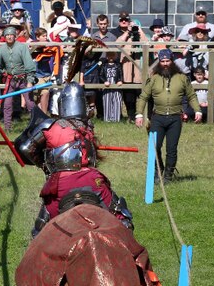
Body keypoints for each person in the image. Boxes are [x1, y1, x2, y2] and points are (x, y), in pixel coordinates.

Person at [15, 83, 135, 238]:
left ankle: (38, 247)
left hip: (61, 183)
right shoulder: (88, 127)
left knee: (40, 230)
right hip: (92, 180)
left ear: (62, 104)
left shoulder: (49, 125)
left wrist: (43, 165)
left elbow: (25, 148)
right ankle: (129, 249)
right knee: (122, 215)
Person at [136, 49, 202, 182]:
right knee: (155, 147)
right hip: (158, 118)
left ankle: (168, 175)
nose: (165, 63)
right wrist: (139, 114)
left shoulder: (182, 78)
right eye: (162, 61)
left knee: (171, 149)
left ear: (172, 61)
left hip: (175, 118)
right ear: (159, 62)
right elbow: (143, 97)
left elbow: (191, 96)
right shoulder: (154, 79)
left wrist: (198, 110)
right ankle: (157, 171)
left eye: (167, 61)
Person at [0, 25, 37, 131]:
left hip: (24, 78)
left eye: (11, 35)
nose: (9, 37)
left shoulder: (22, 47)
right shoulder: (2, 49)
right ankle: (8, 128)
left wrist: (30, 81)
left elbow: (29, 65)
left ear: (15, 36)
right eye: (7, 35)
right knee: (7, 104)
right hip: (11, 79)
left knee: (29, 103)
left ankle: (35, 125)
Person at [32, 27, 61, 113]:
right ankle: (40, 114)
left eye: (46, 36)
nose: (46, 38)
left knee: (45, 93)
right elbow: (32, 46)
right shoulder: (33, 45)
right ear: (38, 37)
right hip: (37, 75)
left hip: (47, 74)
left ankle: (43, 115)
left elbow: (57, 48)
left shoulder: (49, 46)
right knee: (39, 95)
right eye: (43, 36)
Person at [96, 49, 124, 122]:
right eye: (109, 55)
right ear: (107, 56)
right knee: (107, 101)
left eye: (112, 55)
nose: (111, 57)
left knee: (117, 101)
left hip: (116, 84)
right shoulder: (104, 65)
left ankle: (116, 118)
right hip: (107, 85)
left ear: (115, 56)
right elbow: (101, 75)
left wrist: (120, 80)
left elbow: (121, 74)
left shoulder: (118, 65)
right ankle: (108, 119)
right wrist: (104, 81)